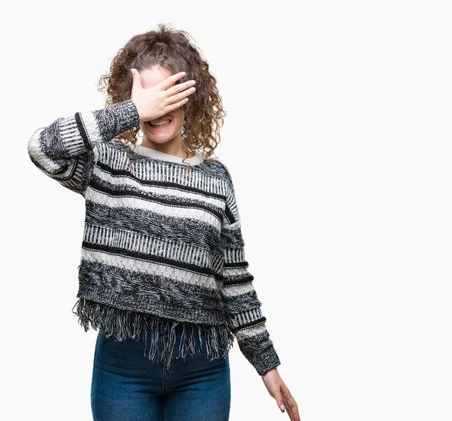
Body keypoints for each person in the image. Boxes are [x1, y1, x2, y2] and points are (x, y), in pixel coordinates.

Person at [27, 23, 300, 421]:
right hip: (123, 370)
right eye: (147, 97)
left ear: (191, 98)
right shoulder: (107, 163)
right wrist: (130, 113)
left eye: (169, 93)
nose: (158, 108)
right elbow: (42, 148)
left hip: (202, 373)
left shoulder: (216, 179)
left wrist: (267, 365)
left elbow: (235, 280)